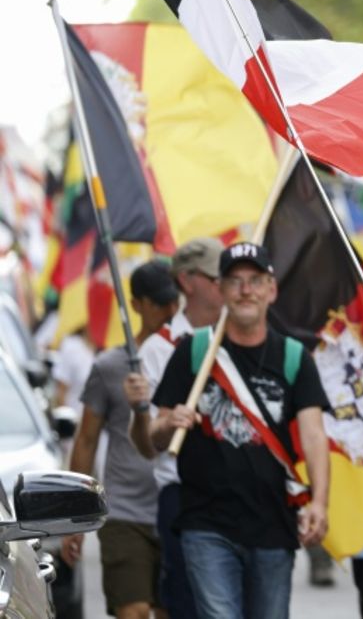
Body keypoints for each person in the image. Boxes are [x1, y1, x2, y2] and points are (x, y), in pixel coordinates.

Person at [149, 242, 331, 619]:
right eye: (235, 281)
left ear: (271, 289)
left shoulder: (294, 357)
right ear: (221, 290)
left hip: (273, 525)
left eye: (255, 280)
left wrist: (320, 502)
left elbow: (314, 435)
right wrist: (169, 423)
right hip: (206, 522)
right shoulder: (193, 352)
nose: (246, 290)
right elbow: (154, 435)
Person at [62, 260, 177, 619]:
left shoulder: (190, 358)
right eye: (159, 302)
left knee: (167, 610)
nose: (169, 311)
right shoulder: (109, 367)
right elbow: (86, 441)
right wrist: (74, 518)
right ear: (138, 304)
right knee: (134, 611)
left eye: (173, 301)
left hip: (176, 509)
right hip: (125, 513)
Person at [132, 236, 226, 619]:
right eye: (220, 278)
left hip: (236, 494)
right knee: (187, 604)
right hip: (182, 495)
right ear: (188, 282)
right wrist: (157, 418)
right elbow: (147, 441)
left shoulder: (240, 339)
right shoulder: (158, 348)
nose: (230, 286)